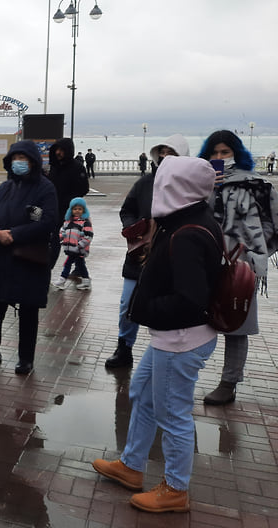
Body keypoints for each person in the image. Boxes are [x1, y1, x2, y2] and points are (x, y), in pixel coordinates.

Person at [91, 156, 224, 514]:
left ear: (179, 188)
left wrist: (144, 310)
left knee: (173, 412)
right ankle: (132, 465)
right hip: (170, 338)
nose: (158, 190)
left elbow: (190, 301)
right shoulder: (182, 220)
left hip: (180, 339)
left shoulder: (189, 232)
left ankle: (176, 488)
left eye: (165, 184)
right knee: (143, 394)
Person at [198, 130, 278, 405]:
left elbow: (271, 222)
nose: (219, 158)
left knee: (236, 324)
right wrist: (207, 188)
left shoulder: (257, 184)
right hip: (204, 262)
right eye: (214, 153)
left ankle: (229, 383)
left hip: (242, 266)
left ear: (236, 153)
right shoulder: (198, 184)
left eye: (225, 152)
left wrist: (254, 249)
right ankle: (186, 374)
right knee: (196, 317)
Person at [106, 135, 190, 369]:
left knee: (167, 307)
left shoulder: (188, 186)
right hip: (140, 255)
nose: (164, 157)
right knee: (127, 305)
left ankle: (164, 354)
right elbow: (127, 210)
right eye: (161, 152)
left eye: (171, 152)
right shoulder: (144, 184)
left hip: (173, 257)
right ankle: (124, 347)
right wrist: (134, 228)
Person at [0, 140, 58, 375]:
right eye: (14, 159)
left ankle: (26, 358)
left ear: (33, 162)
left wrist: (14, 235)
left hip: (28, 258)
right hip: (0, 256)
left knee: (28, 310)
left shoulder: (45, 188)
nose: (18, 163)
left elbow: (48, 221)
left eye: (23, 159)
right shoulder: (4, 188)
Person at [47, 137, 89, 266]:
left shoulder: (77, 167)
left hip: (68, 211)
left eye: (61, 150)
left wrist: (68, 202)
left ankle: (78, 267)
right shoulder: (54, 167)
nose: (58, 153)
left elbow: (83, 189)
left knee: (71, 239)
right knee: (53, 238)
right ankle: (48, 267)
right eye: (57, 150)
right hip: (52, 209)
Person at [52, 197, 94, 291]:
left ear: (84, 210)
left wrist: (80, 245)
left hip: (78, 249)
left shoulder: (85, 222)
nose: (77, 211)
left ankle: (62, 280)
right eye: (75, 209)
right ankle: (86, 281)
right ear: (71, 210)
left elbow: (88, 236)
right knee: (80, 265)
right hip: (70, 248)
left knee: (68, 264)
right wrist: (62, 240)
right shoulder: (68, 222)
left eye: (80, 209)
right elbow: (62, 231)